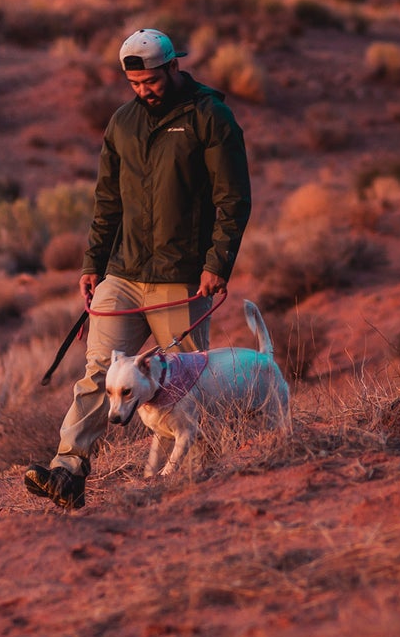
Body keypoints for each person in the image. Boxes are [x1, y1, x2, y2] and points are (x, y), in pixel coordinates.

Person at [23, 28, 252, 508]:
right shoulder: (123, 123)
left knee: (189, 385)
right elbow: (108, 200)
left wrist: (217, 262)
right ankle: (67, 471)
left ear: (171, 67)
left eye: (150, 80)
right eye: (135, 83)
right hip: (123, 274)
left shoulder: (211, 117)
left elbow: (233, 198)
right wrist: (94, 263)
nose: (143, 90)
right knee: (97, 375)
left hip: (182, 277)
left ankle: (198, 484)